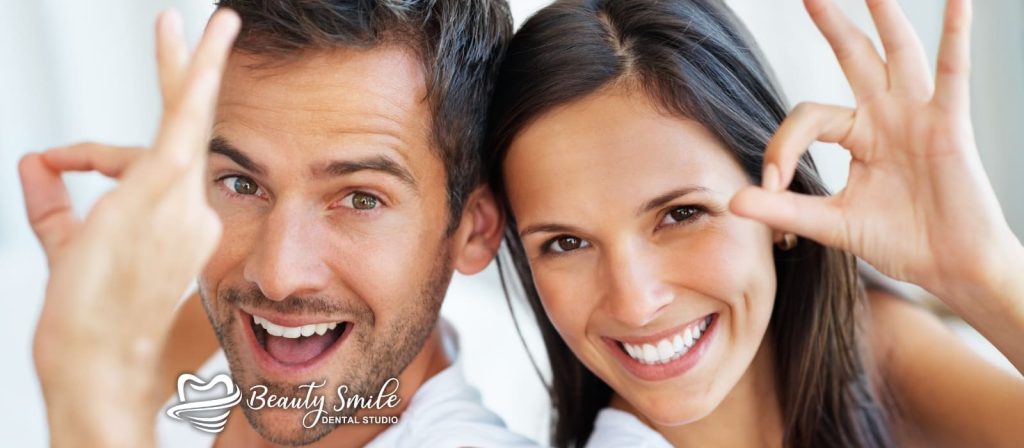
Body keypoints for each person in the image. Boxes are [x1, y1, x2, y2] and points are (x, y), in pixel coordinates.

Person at [483, 0, 1024, 446]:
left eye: (681, 214)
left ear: (782, 197)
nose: (634, 302)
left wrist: (987, 273)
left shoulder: (867, 345)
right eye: (566, 242)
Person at [20, 1, 537, 447]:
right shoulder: (204, 339)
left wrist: (89, 386)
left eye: (359, 198)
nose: (276, 275)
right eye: (243, 184)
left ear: (472, 230)